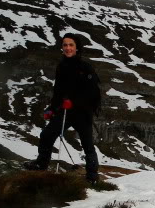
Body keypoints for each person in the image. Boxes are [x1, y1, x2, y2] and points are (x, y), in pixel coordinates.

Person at [24, 32, 101, 183]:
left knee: (87, 144)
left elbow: (93, 93)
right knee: (47, 135)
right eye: (65, 45)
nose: (68, 48)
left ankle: (92, 176)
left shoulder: (85, 67)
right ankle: (41, 164)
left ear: (77, 48)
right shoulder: (61, 67)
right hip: (65, 111)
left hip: (83, 113)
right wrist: (52, 108)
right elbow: (58, 91)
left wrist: (74, 102)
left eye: (71, 45)